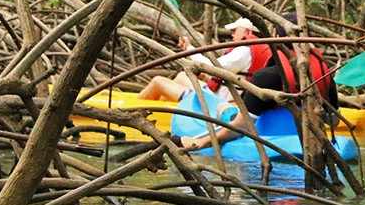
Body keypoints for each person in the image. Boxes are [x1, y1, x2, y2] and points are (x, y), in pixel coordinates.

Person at [172, 25, 339, 151]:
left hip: (273, 132)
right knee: (227, 106)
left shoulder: (266, 77)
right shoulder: (323, 71)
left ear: (274, 38)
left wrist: (202, 142)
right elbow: (334, 120)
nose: (231, 34)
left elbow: (241, 128)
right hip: (313, 137)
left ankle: (217, 122)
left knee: (226, 109)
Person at [140, 17, 273, 103]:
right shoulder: (254, 49)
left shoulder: (244, 51)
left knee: (157, 81)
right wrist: (205, 78)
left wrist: (188, 48)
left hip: (215, 103)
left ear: (247, 32)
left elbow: (211, 67)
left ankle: (135, 112)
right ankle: (166, 111)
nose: (232, 34)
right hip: (223, 96)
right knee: (181, 76)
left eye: (235, 30)